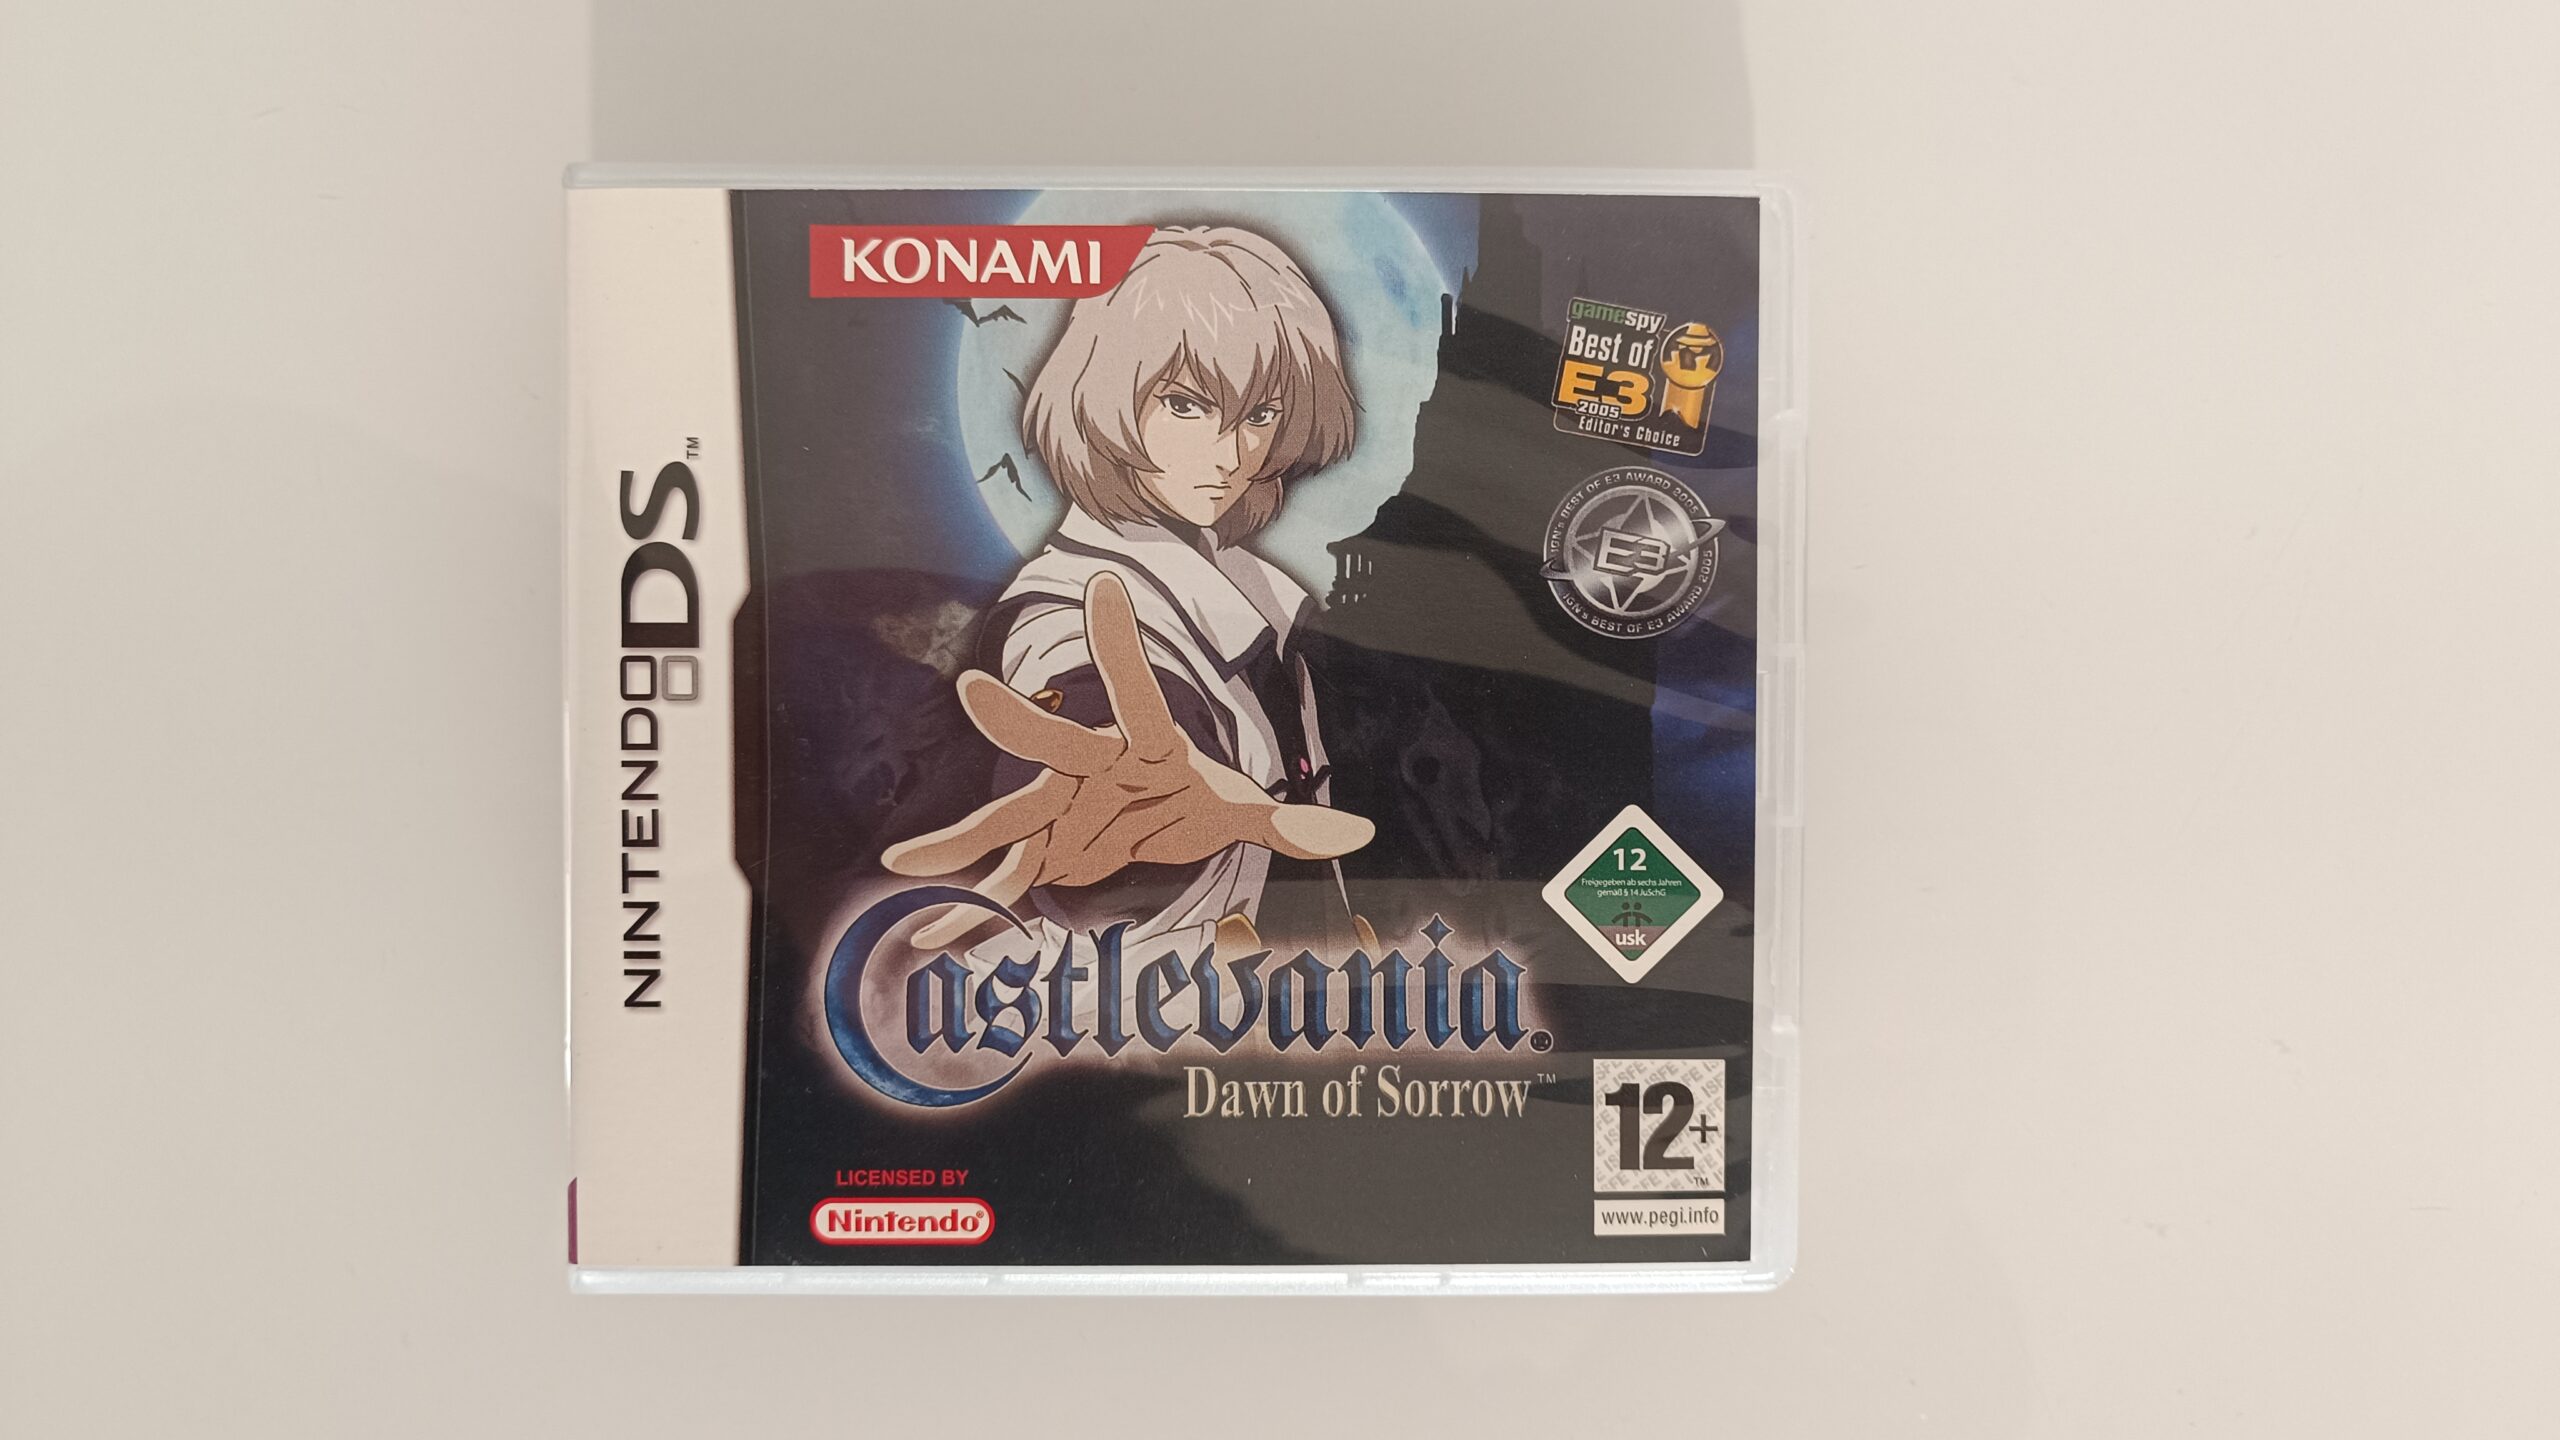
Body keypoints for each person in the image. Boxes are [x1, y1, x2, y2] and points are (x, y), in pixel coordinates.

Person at [884, 225, 1375, 959]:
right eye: (1185, 404)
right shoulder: (1066, 607)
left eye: (1260, 415)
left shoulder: (1260, 594)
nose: (1232, 452)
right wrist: (1127, 795)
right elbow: (1090, 708)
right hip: (1162, 1003)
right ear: (1103, 397)